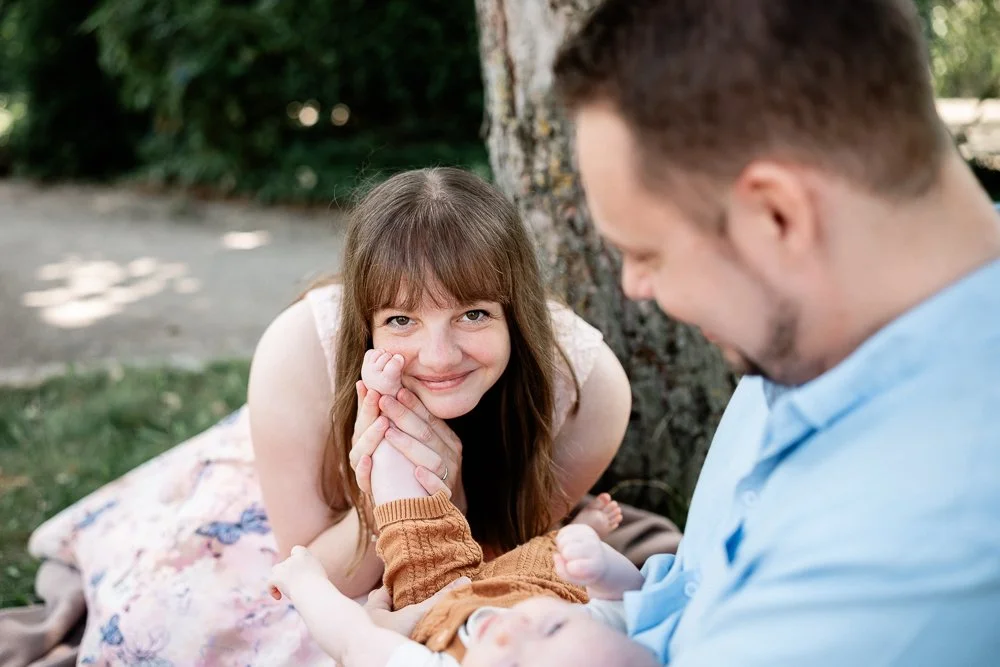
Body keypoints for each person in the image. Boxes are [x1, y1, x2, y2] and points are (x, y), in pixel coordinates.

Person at [21, 168, 636, 666]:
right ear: (366, 322)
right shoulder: (299, 350)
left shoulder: (589, 391)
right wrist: (378, 496)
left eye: (473, 314)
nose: (439, 356)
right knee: (176, 625)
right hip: (306, 524)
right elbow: (317, 577)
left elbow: (495, 570)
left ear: (515, 309)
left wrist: (448, 494)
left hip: (443, 565)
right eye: (402, 320)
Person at [551, 0, 1000, 665]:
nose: (634, 286)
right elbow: (701, 591)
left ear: (777, 216)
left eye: (647, 253)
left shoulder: (913, 536)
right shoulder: (808, 331)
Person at [267, 345, 655, 667]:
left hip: (436, 606)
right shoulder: (595, 646)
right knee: (561, 556)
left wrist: (306, 584)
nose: (512, 629)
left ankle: (387, 404)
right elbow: (631, 599)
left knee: (412, 520)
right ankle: (581, 531)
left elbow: (353, 641)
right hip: (542, 585)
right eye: (552, 630)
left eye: (512, 665)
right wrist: (602, 571)